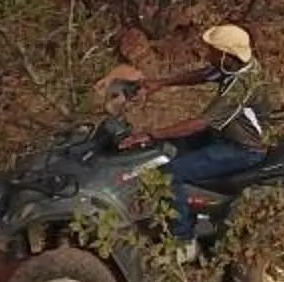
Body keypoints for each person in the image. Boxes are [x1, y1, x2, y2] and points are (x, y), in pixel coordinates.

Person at [108, 24, 273, 249]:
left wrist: (150, 134)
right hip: (226, 136)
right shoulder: (237, 66)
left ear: (226, 55)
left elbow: (198, 123)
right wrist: (161, 83)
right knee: (170, 149)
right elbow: (203, 74)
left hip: (243, 150)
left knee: (168, 173)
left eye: (212, 50)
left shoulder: (240, 87)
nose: (207, 54)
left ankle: (182, 240)